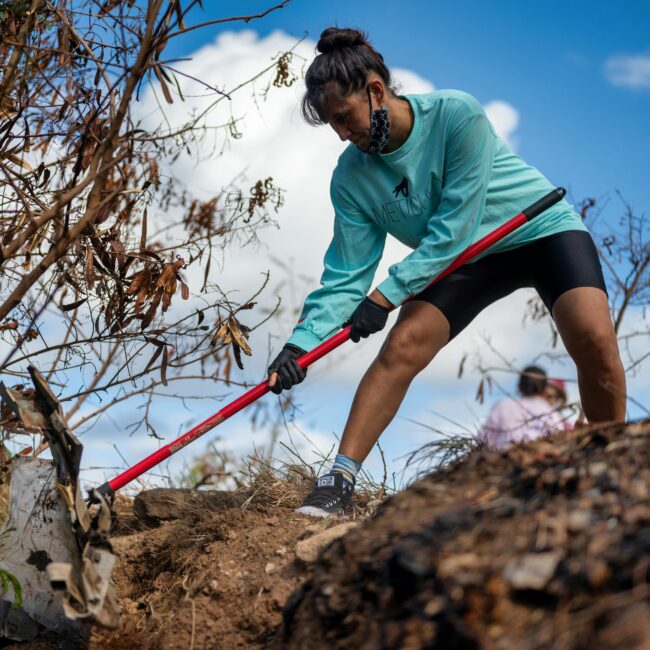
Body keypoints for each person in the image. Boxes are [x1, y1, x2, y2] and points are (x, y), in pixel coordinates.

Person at [267, 27, 626, 517]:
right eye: (333, 125)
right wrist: (300, 345)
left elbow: (453, 228)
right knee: (403, 344)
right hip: (465, 260)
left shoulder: (456, 114)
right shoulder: (350, 177)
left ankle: (612, 462)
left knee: (594, 339)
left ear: (375, 92)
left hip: (537, 229)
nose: (342, 134)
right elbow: (347, 272)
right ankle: (337, 482)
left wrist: (383, 298)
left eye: (344, 118)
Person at [479, 366, 566, 450]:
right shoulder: (554, 415)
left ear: (519, 386)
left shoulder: (503, 406)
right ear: (545, 389)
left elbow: (483, 441)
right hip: (543, 462)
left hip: (504, 461)